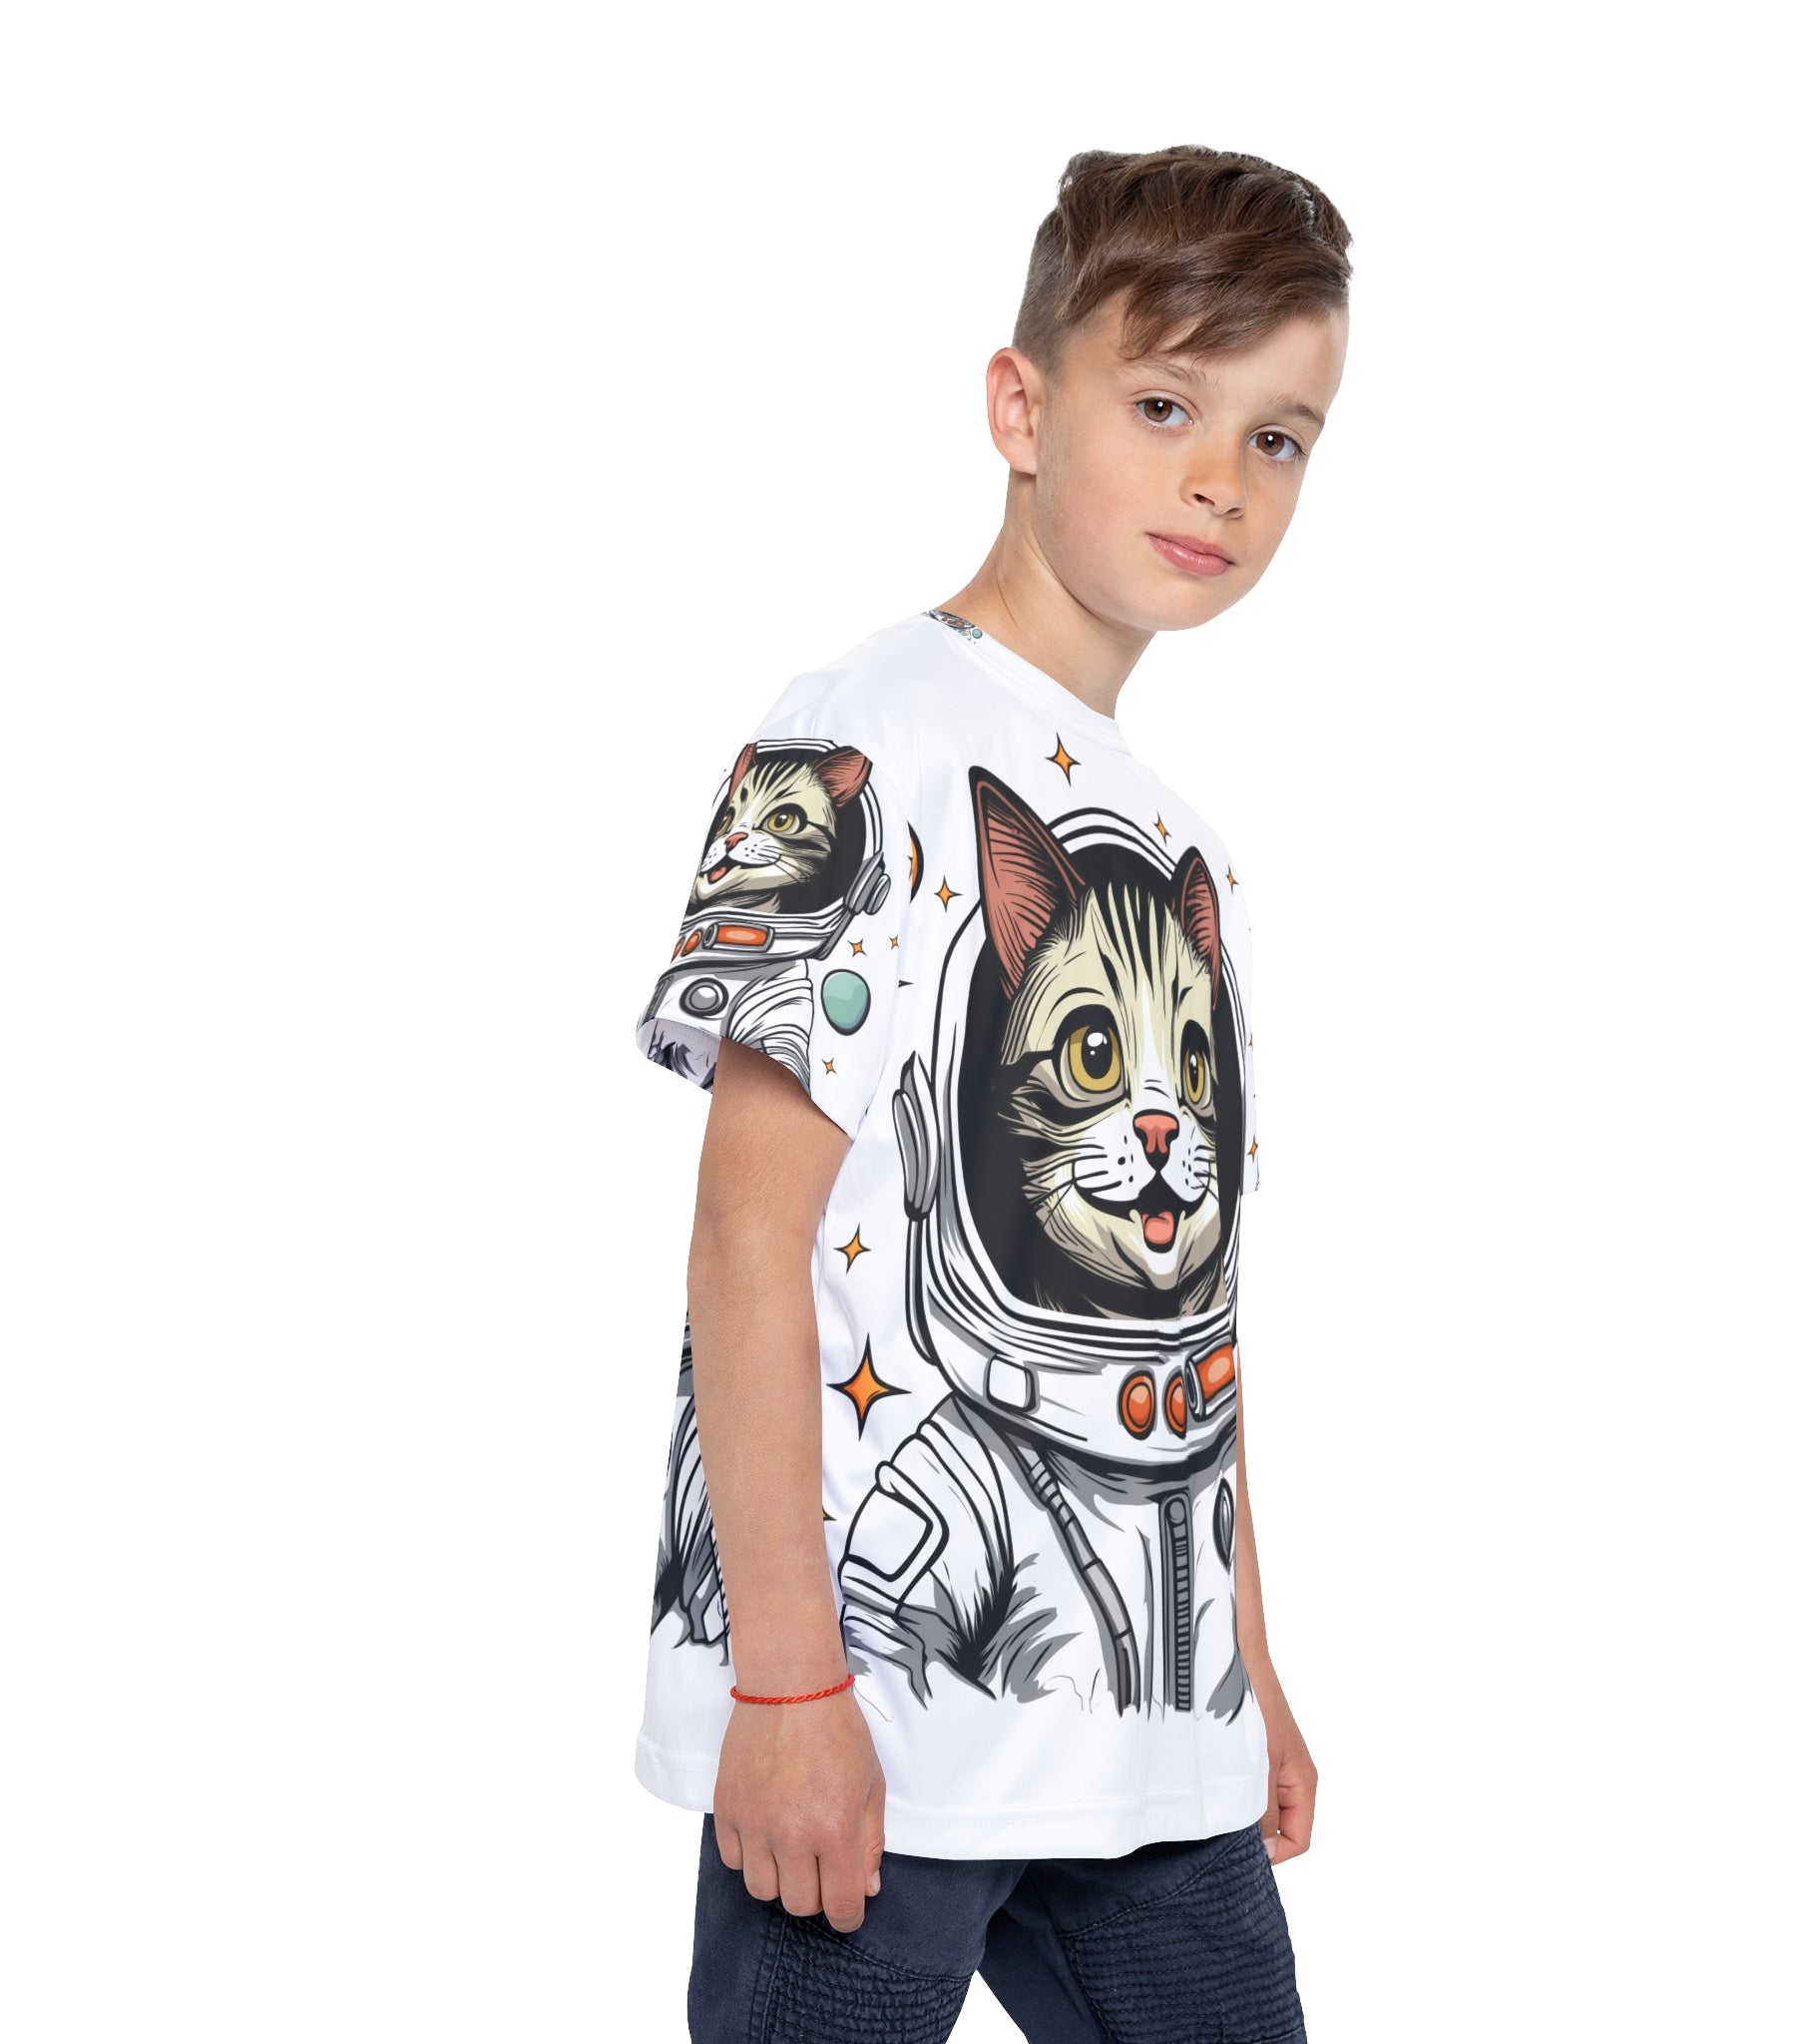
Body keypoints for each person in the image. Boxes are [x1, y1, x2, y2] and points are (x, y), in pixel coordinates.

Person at [633, 143, 1350, 2043]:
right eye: (1167, 405)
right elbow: (746, 1233)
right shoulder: (853, 734)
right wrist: (787, 1688)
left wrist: (1244, 1674)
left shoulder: (1185, 850)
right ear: (1021, 409)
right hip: (881, 1725)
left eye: (1280, 437)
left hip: (1147, 1751)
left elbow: (1187, 1300)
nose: (1222, 477)